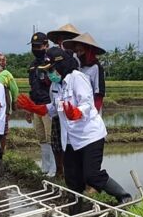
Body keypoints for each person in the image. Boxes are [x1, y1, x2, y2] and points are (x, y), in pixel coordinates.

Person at [16, 47, 131, 205]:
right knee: (72, 180)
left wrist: (76, 113)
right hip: (70, 139)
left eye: (51, 69)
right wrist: (33, 107)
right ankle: (76, 210)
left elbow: (87, 104)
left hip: (89, 136)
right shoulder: (55, 86)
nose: (49, 74)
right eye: (47, 70)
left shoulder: (77, 78)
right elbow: (53, 109)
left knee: (91, 176)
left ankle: (124, 196)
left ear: (61, 65)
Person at [45, 24, 81, 177]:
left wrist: (77, 111)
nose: (63, 42)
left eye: (67, 39)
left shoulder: (76, 61)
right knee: (56, 140)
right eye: (61, 39)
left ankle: (72, 173)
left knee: (72, 144)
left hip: (74, 109)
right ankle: (60, 171)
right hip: (59, 104)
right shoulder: (53, 57)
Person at [27, 31, 56, 176]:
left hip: (48, 106)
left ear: (46, 45)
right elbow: (32, 87)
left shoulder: (51, 62)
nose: (35, 49)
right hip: (36, 106)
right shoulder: (33, 65)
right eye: (33, 46)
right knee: (42, 139)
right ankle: (45, 167)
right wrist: (29, 108)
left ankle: (54, 169)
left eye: (38, 46)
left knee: (50, 138)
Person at [64, 32, 106, 110]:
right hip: (78, 107)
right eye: (77, 51)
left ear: (88, 51)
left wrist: (94, 111)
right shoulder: (78, 67)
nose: (79, 54)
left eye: (81, 51)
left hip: (91, 108)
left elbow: (99, 93)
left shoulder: (96, 67)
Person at [0, 52, 19, 155]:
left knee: (3, 130)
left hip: (4, 106)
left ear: (3, 62)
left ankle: (2, 151)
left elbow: (14, 89)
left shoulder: (7, 74)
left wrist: (14, 102)